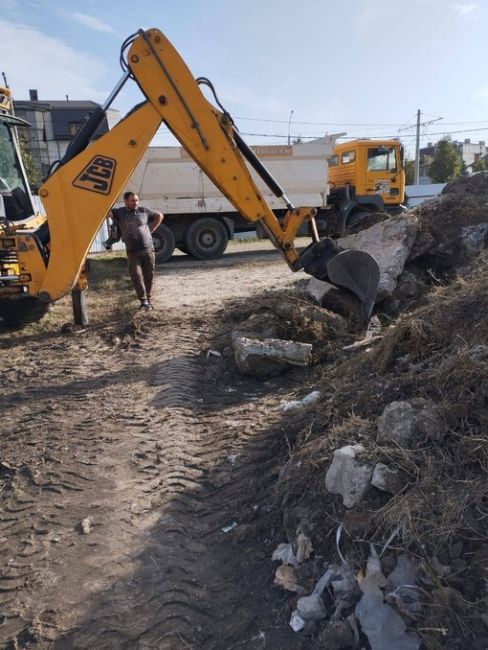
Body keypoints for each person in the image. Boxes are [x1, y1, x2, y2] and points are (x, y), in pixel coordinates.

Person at [108, 192, 163, 310]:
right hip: (133, 253)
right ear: (126, 201)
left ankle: (148, 299)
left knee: (149, 276)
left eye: (137, 200)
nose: (135, 203)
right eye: (133, 201)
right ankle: (143, 302)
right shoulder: (119, 212)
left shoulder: (144, 211)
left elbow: (159, 215)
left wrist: (152, 228)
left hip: (148, 250)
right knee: (136, 276)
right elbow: (106, 213)